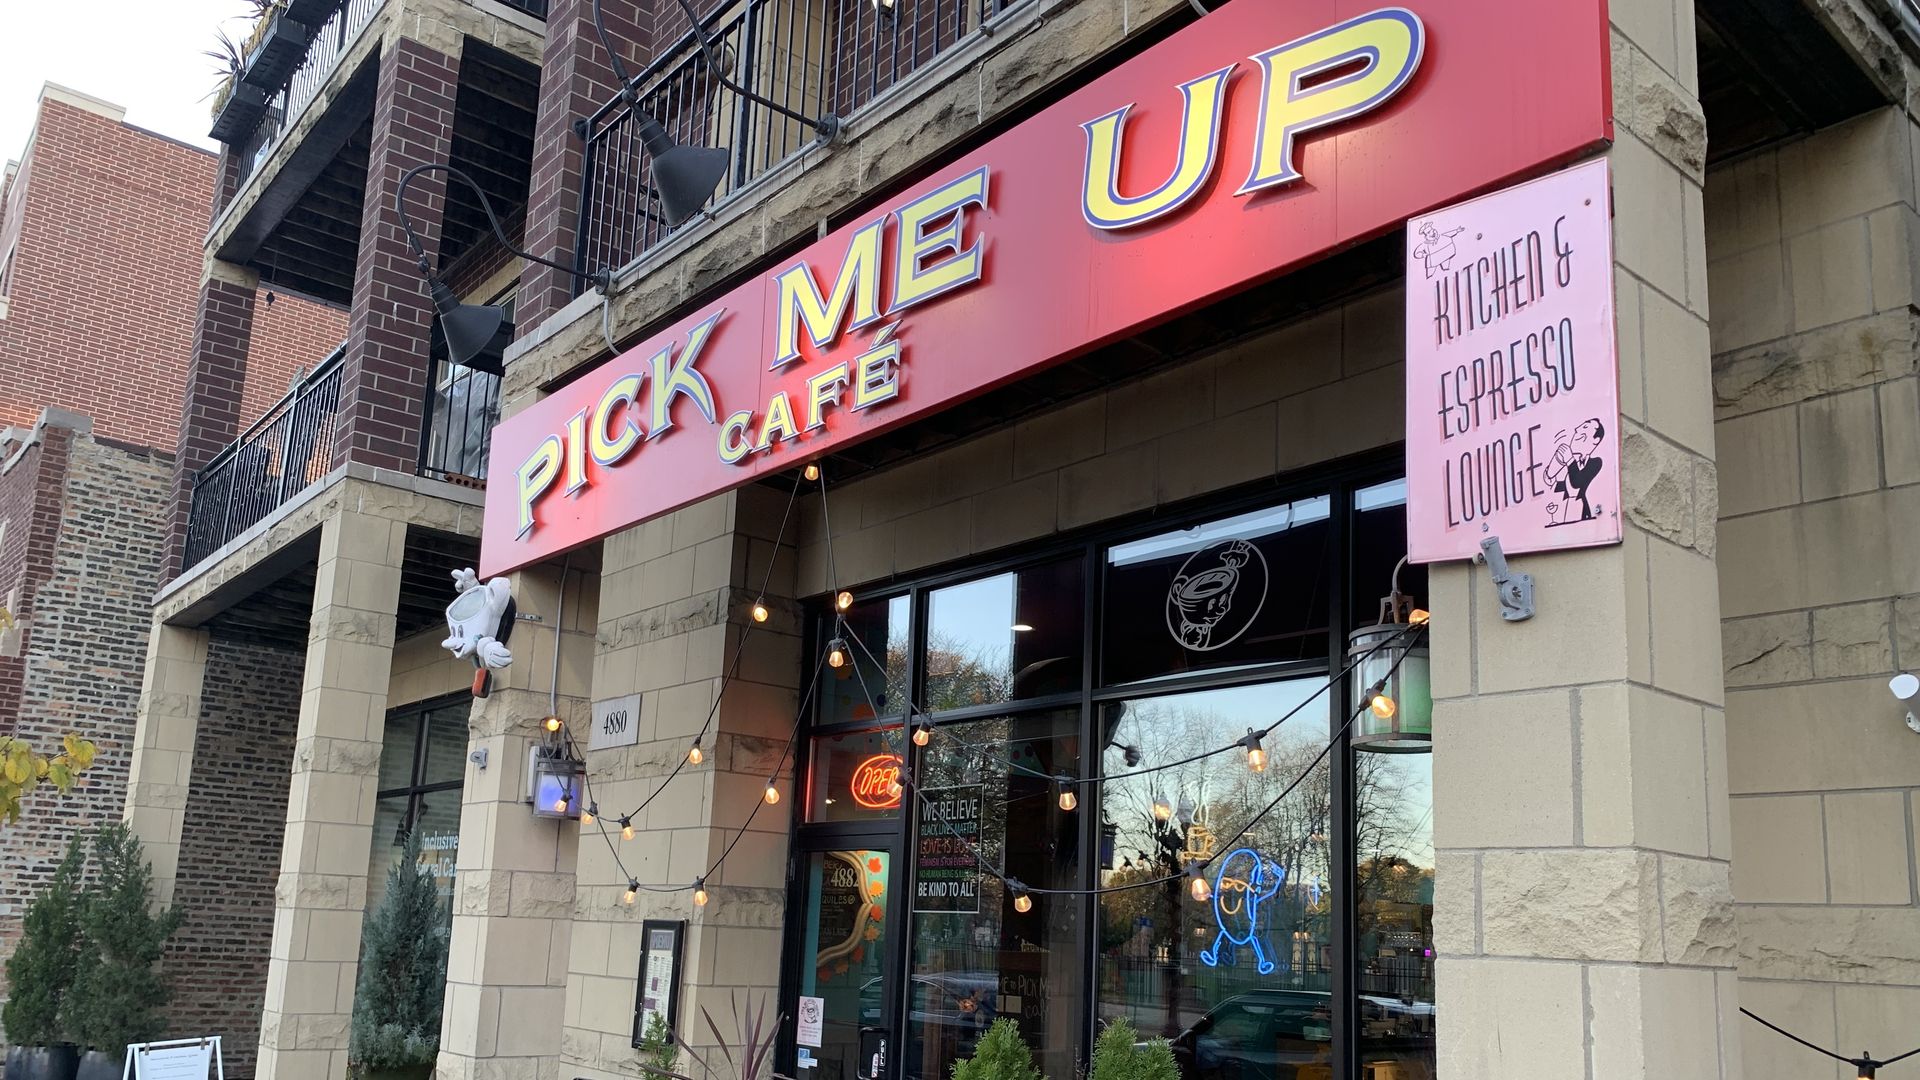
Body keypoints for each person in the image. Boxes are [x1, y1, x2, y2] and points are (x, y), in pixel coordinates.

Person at [1544, 418, 1605, 524]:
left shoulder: (1596, 463)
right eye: (1580, 427)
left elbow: (1577, 482)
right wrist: (1551, 472)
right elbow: (1553, 483)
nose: (1577, 429)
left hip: (1584, 513)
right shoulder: (1570, 463)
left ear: (1596, 440)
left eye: (1585, 427)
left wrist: (1569, 460)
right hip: (1566, 510)